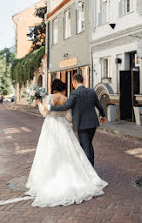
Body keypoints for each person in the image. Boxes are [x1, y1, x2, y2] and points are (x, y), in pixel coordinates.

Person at [25, 79, 107, 207]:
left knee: (50, 151)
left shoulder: (48, 98)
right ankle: (87, 171)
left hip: (50, 126)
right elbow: (69, 116)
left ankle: (52, 175)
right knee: (75, 149)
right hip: (64, 125)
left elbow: (44, 112)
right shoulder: (66, 97)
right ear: (63, 88)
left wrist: (39, 104)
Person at [48, 74, 106, 166]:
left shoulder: (74, 93)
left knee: (85, 145)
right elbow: (99, 105)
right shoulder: (92, 91)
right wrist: (103, 116)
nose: (72, 84)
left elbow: (66, 107)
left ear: (74, 81)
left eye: (72, 82)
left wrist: (50, 107)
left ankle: (89, 170)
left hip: (82, 124)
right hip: (93, 123)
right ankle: (91, 166)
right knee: (89, 144)